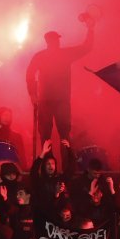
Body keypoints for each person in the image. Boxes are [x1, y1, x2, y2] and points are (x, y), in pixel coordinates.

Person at [26, 14, 95, 144]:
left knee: (50, 137)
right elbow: (86, 47)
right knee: (62, 136)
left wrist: (33, 94)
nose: (57, 42)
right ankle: (54, 162)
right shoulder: (62, 54)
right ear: (51, 41)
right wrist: (33, 94)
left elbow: (29, 74)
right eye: (56, 40)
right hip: (55, 100)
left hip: (49, 100)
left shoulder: (43, 56)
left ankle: (50, 162)